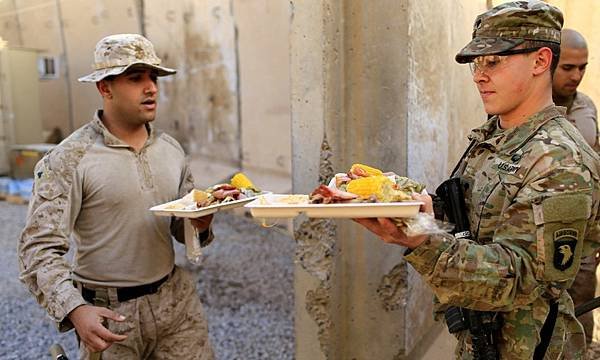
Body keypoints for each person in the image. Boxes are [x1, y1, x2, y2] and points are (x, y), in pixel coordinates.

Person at [354, 2, 600, 359]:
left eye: (494, 61)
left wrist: (423, 241)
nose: (478, 76)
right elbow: (471, 216)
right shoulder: (496, 134)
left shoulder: (558, 159)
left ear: (540, 61)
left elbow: (524, 278)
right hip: (480, 340)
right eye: (477, 64)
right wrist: (399, 198)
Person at [18, 34, 215, 359]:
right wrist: (75, 310)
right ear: (104, 88)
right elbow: (37, 249)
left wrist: (201, 223)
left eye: (153, 77)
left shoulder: (171, 150)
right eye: (135, 78)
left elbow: (183, 233)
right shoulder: (69, 159)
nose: (151, 87)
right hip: (110, 315)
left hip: (177, 306)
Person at [552, 28, 600, 346]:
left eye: (582, 67)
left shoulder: (587, 107)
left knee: (581, 308)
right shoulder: (523, 109)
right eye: (568, 67)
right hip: (541, 235)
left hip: (585, 235)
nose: (577, 75)